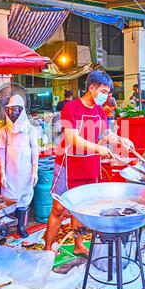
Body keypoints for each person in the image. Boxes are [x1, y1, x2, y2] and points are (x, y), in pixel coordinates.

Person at [44, 70, 135, 256]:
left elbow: (105, 134)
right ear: (91, 88)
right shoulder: (71, 108)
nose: (105, 96)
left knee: (82, 208)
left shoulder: (100, 111)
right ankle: (47, 249)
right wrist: (99, 149)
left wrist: (120, 140)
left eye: (107, 93)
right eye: (103, 91)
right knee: (59, 209)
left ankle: (79, 245)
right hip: (68, 166)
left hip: (89, 166)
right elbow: (72, 139)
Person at [0, 94, 39, 238]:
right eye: (10, 110)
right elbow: (1, 153)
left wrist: (34, 171)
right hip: (9, 173)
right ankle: (5, 227)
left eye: (16, 110)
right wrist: (2, 173)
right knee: (7, 200)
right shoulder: (4, 131)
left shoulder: (30, 129)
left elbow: (34, 151)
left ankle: (21, 226)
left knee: (24, 200)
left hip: (26, 172)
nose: (13, 113)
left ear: (22, 111)